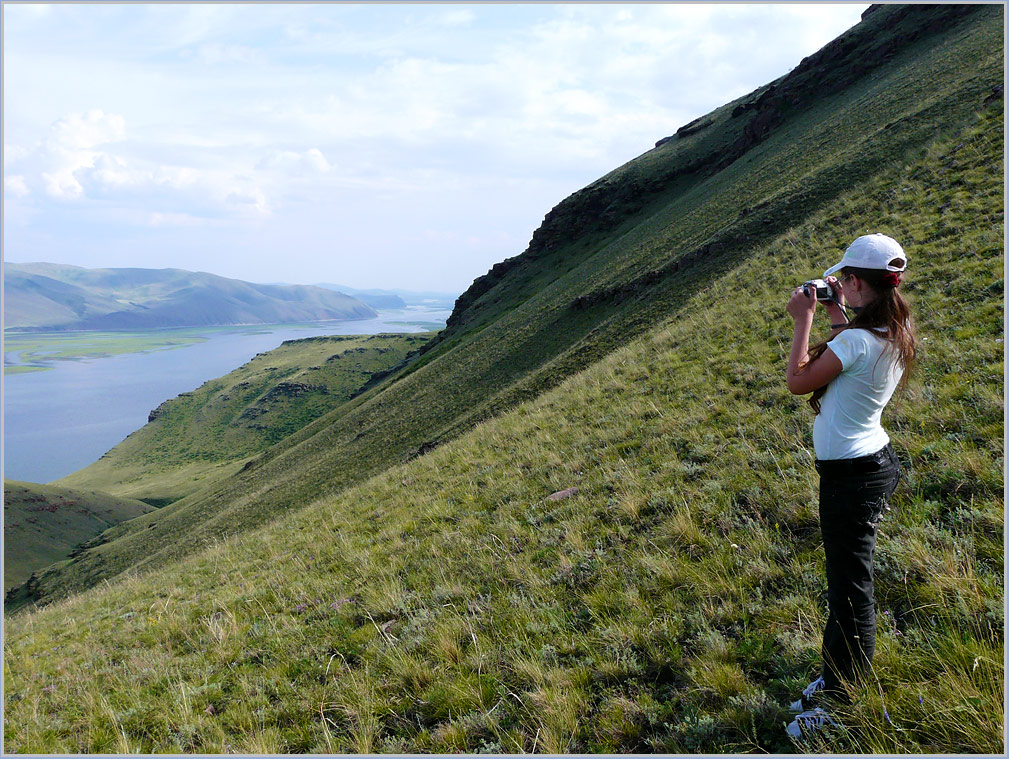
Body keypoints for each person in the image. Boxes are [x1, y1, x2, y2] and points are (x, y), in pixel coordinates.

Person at [782, 233, 917, 738]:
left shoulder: (856, 339)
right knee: (846, 582)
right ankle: (837, 674)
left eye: (846, 279)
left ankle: (842, 700)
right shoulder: (891, 328)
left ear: (858, 282)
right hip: (870, 465)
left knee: (849, 590)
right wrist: (841, 312)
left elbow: (799, 382)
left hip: (850, 478)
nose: (840, 285)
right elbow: (853, 350)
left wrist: (804, 319)